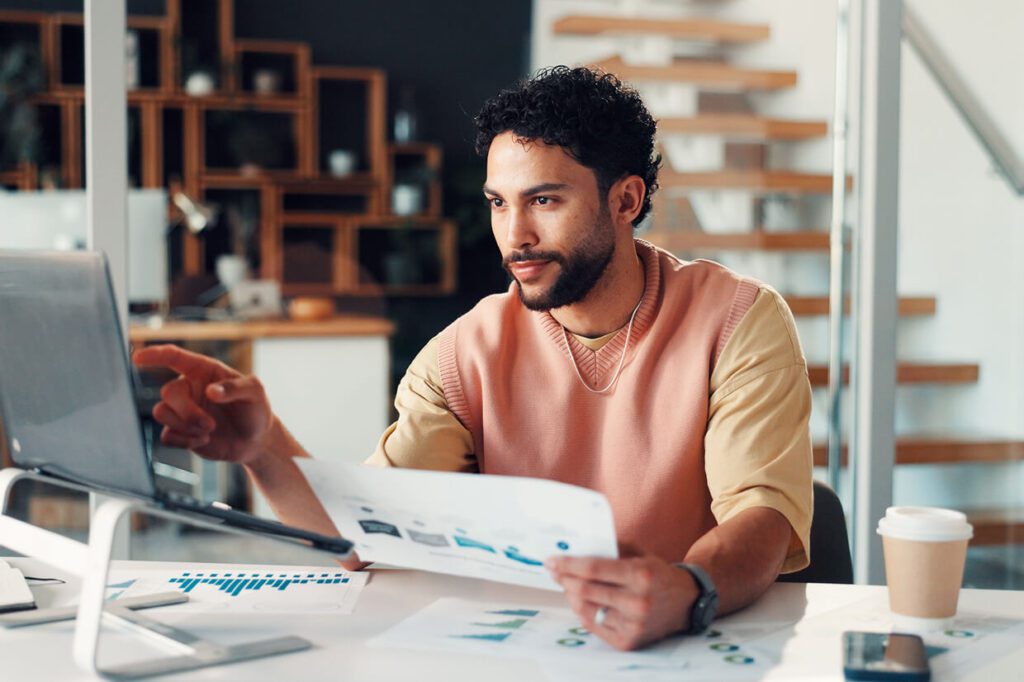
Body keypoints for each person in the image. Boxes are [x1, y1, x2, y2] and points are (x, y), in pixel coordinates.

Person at [134, 66, 813, 652]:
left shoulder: (737, 321)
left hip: (689, 650)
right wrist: (264, 450)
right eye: (498, 204)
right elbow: (366, 536)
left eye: (544, 200)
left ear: (626, 200)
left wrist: (689, 591)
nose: (514, 237)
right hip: (518, 652)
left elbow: (762, 518)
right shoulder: (466, 352)